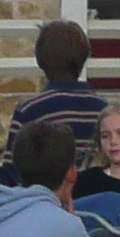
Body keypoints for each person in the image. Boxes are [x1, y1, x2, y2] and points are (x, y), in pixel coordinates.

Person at [10, 20, 111, 162]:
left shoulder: (29, 109)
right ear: (84, 57)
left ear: (40, 60)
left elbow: (12, 167)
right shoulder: (104, 108)